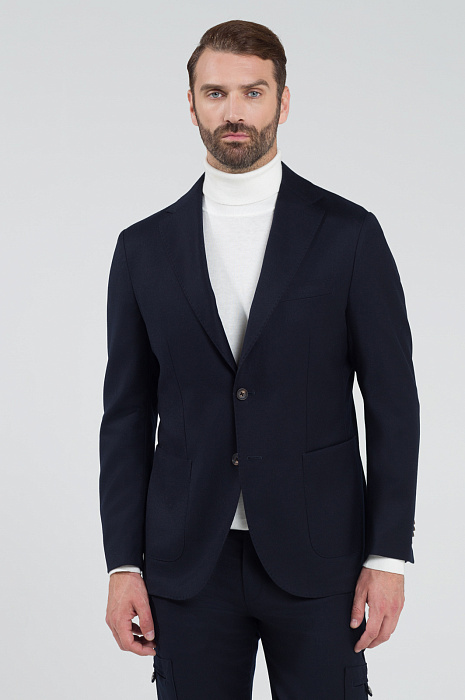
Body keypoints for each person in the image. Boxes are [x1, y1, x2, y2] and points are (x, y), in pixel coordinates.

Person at [99, 19, 420, 699]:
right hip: (188, 563)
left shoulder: (348, 235)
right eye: (215, 93)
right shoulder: (143, 249)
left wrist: (388, 555)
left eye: (253, 92)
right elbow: (126, 417)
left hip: (321, 558)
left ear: (283, 101)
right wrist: (123, 564)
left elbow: (393, 403)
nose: (234, 112)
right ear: (191, 103)